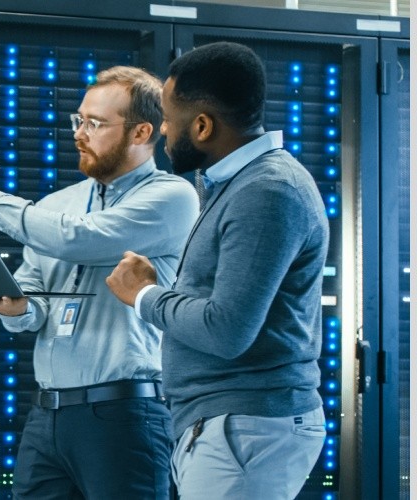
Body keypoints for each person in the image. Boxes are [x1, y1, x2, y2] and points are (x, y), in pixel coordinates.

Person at [0, 66, 199, 499]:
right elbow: (34, 299)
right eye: (79, 120)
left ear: (141, 132)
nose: (80, 133)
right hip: (48, 415)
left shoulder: (171, 197)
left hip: (124, 412)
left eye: (95, 123)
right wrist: (16, 309)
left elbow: (81, 239)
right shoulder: (55, 206)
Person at [105, 42, 328, 499]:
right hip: (229, 424)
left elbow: (227, 330)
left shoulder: (268, 193)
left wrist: (146, 296)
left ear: (203, 125)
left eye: (168, 118)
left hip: (247, 427)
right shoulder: (236, 185)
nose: (161, 132)